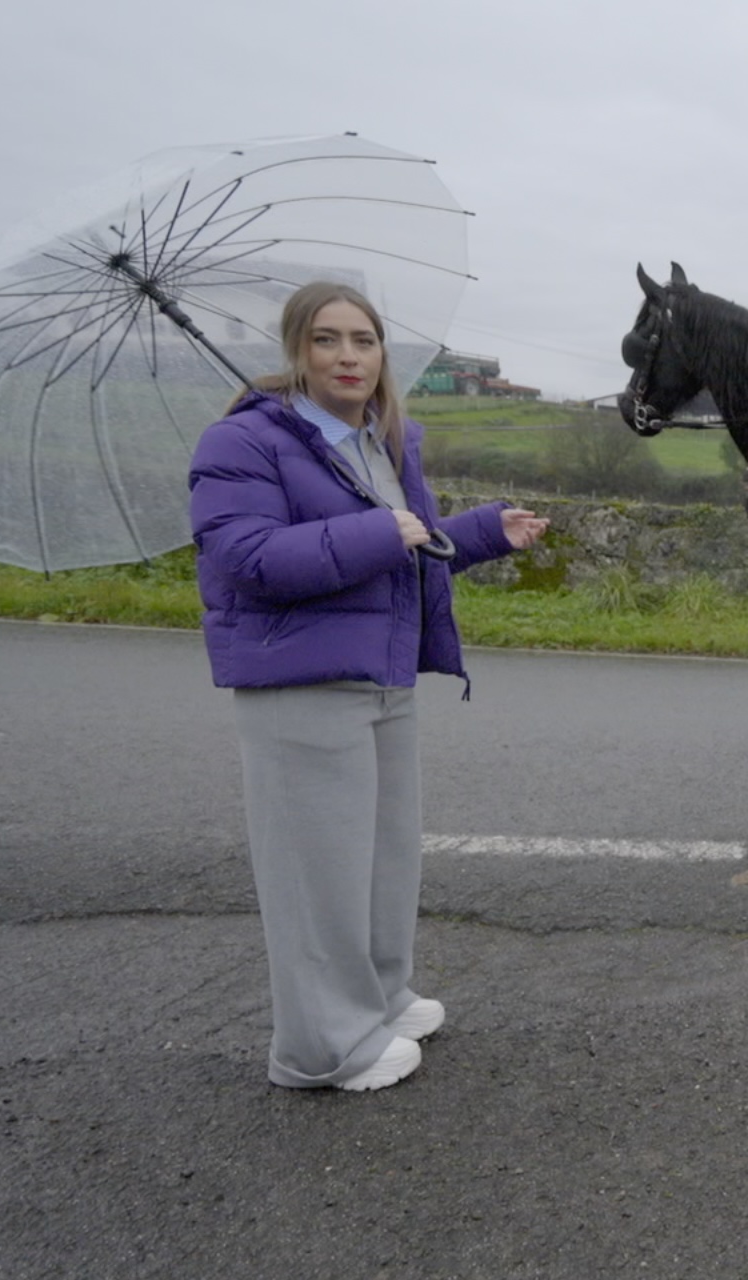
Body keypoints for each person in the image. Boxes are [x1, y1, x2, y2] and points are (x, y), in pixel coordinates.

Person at [188, 282, 549, 1092]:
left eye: (363, 339)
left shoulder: (381, 440)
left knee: (382, 861)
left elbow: (405, 545)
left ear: (383, 354)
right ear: (295, 352)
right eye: (325, 340)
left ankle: (378, 999)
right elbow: (249, 560)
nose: (347, 356)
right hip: (300, 680)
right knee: (317, 874)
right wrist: (375, 530)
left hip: (382, 673)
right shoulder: (240, 442)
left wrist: (484, 531)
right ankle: (322, 1049)